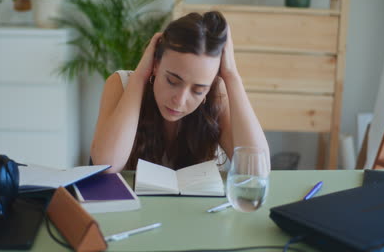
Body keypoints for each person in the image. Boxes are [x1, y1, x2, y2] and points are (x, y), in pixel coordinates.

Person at [90, 11, 270, 173]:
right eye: (172, 81)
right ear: (155, 63)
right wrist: (140, 77)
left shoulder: (217, 94)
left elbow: (256, 170)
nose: (180, 100)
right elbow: (107, 165)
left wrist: (232, 76)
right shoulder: (121, 84)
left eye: (199, 90)